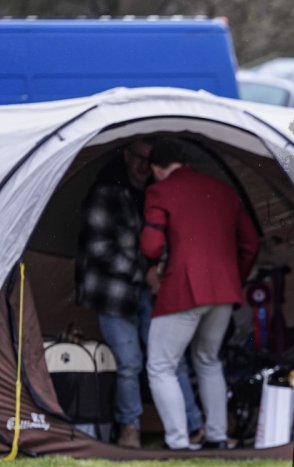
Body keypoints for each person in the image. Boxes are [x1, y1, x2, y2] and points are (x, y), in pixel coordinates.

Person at [76, 138, 204, 449]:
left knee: (170, 358)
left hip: (150, 290)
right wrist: (143, 273)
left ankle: (194, 428)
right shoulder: (105, 192)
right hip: (114, 295)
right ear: (125, 154)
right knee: (130, 362)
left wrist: (160, 272)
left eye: (149, 160)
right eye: (138, 158)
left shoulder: (156, 192)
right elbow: (98, 249)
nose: (142, 166)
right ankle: (129, 429)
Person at [140, 138, 261, 451]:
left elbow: (151, 246)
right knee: (208, 360)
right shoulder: (224, 190)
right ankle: (217, 437)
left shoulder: (159, 191)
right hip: (224, 292)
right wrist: (233, 278)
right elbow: (251, 242)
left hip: (183, 290)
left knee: (160, 366)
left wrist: (154, 267)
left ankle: (178, 442)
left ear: (156, 169)